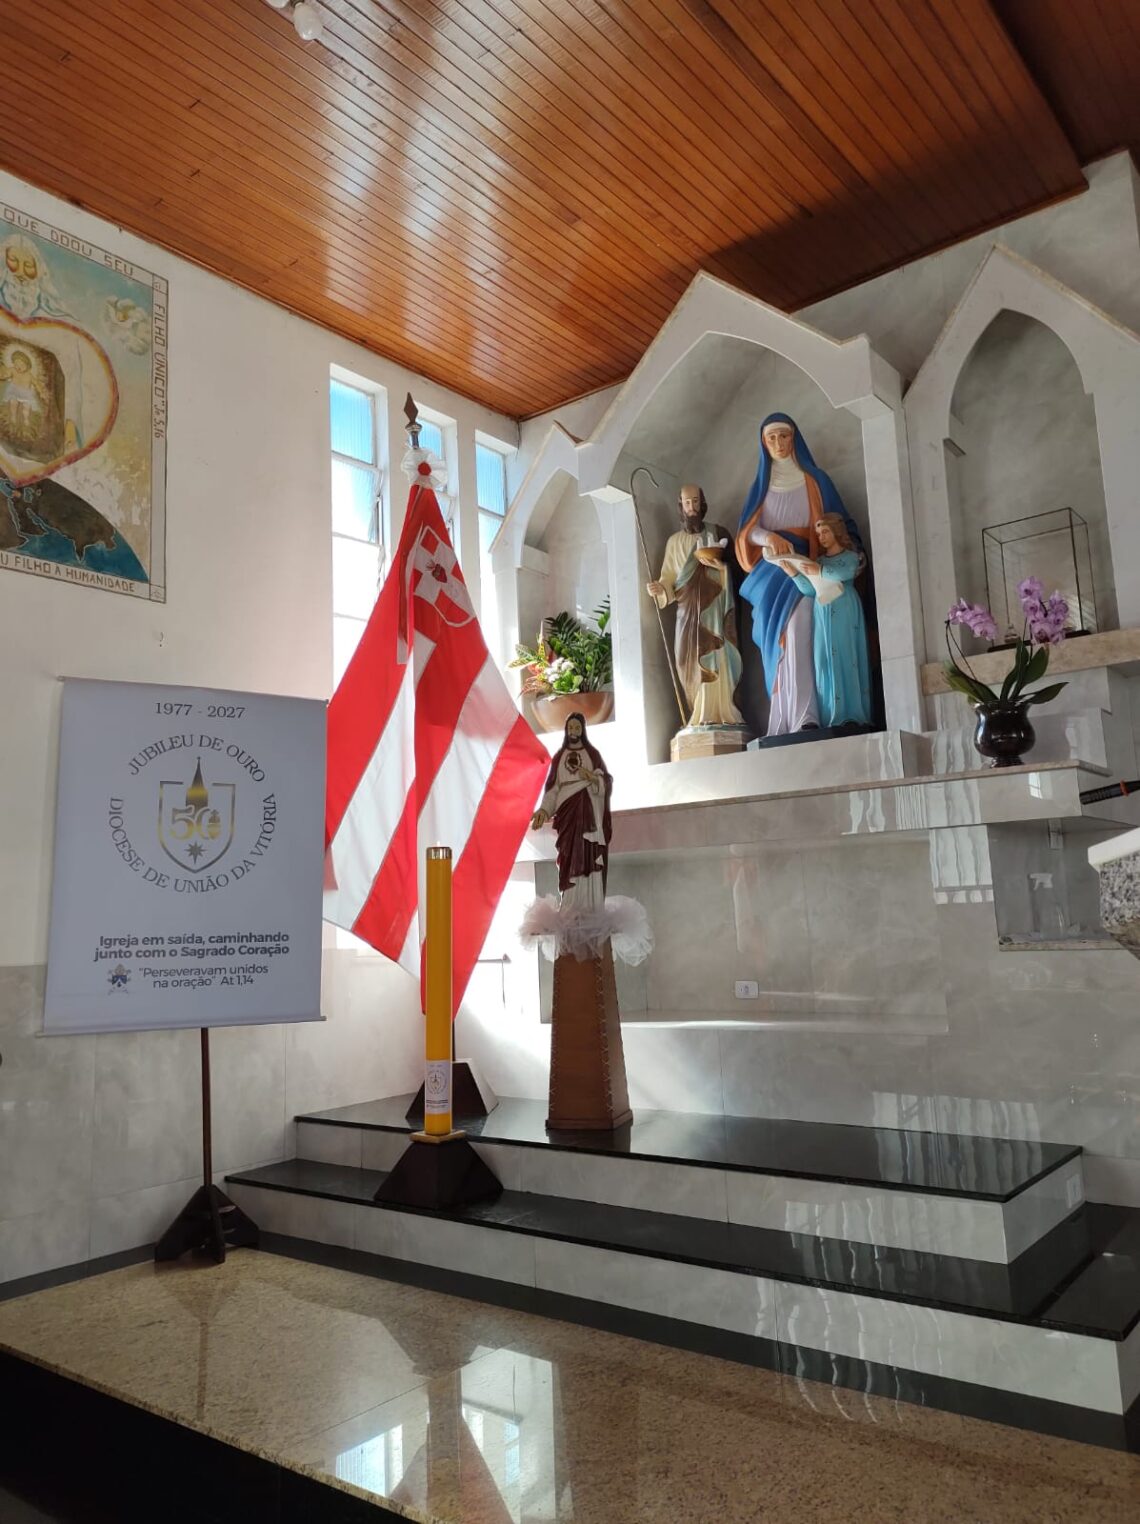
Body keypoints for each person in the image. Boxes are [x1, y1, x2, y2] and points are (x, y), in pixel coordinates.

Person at [735, 413, 863, 736]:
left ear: (795, 438)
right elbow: (747, 533)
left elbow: (842, 524)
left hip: (808, 568)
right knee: (781, 641)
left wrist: (855, 554)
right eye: (771, 438)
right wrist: (769, 538)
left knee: (807, 631)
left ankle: (812, 714)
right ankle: (787, 718)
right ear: (763, 444)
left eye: (784, 436)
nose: (778, 444)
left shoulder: (817, 481)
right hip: (774, 571)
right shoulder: (760, 487)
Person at [646, 484, 743, 728]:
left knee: (717, 654)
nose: (692, 507)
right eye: (687, 503)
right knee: (685, 661)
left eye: (696, 502)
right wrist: (660, 589)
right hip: (687, 610)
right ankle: (697, 714)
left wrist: (720, 568)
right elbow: (669, 577)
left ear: (703, 503)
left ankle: (722, 711)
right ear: (681, 506)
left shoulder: (718, 532)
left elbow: (735, 571)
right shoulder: (674, 542)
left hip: (716, 608)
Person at [774, 513, 872, 728]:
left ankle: (852, 715)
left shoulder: (850, 557)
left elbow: (845, 572)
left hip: (844, 607)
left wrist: (820, 570)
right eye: (818, 533)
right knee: (823, 662)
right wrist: (794, 573)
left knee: (847, 658)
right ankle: (830, 716)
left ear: (836, 531)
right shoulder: (818, 561)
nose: (821, 537)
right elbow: (810, 589)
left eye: (825, 532)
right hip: (822, 611)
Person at [530, 712, 612, 912]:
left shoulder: (593, 755)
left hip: (589, 814)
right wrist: (544, 810)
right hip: (568, 816)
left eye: (577, 728)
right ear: (566, 731)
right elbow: (553, 789)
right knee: (569, 857)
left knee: (588, 853)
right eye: (570, 728)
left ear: (582, 730)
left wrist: (592, 778)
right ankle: (571, 903)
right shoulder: (559, 758)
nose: (573, 731)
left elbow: (606, 782)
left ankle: (591, 903)